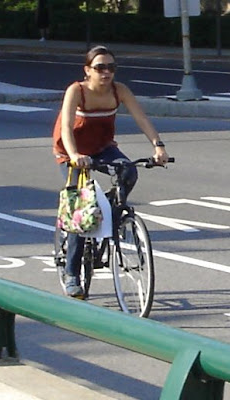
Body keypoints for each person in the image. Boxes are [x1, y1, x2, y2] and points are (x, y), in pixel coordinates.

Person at [53, 45, 169, 298]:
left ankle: (110, 216)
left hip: (102, 147)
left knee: (129, 171)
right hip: (72, 153)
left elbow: (142, 119)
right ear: (88, 70)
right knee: (81, 211)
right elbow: (65, 129)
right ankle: (72, 274)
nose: (106, 73)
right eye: (100, 68)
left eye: (111, 68)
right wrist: (74, 155)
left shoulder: (120, 91)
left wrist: (158, 146)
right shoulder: (77, 91)